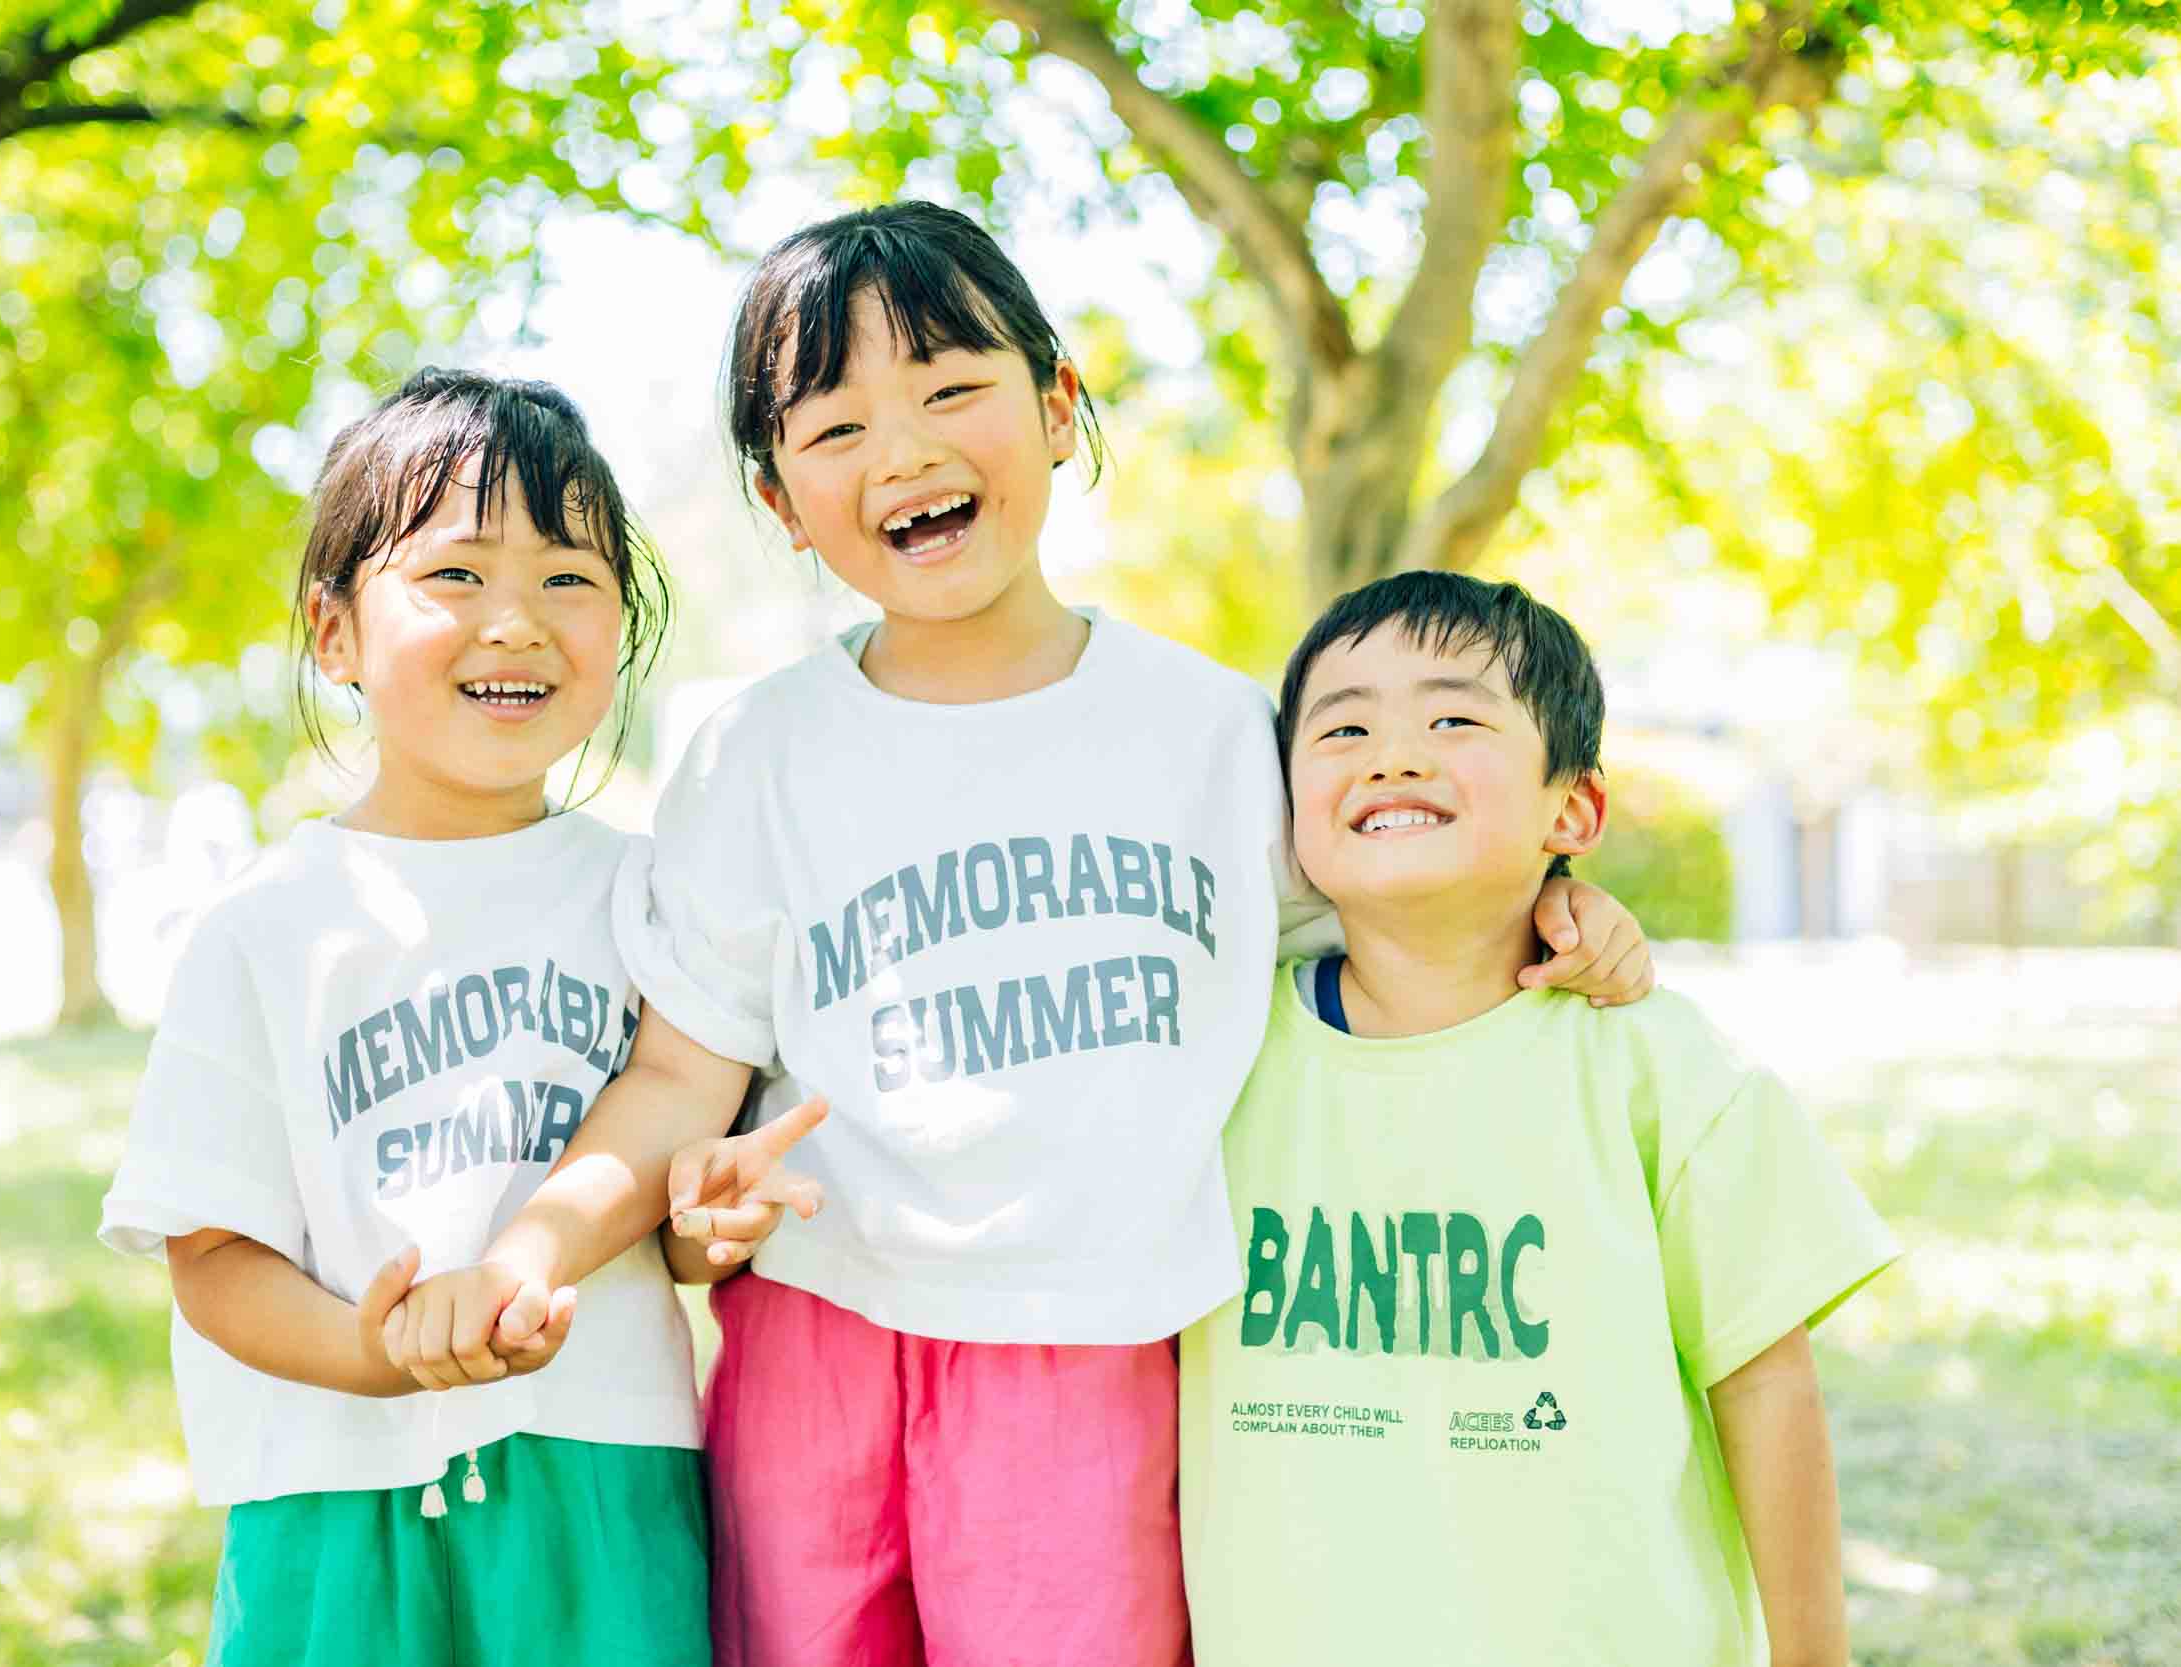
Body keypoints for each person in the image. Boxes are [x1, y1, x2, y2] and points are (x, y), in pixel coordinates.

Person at [616, 202, 1658, 1667]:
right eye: (834, 427)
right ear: (781, 499)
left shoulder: (1216, 731)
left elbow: (1373, 934)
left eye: (949, 388)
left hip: (1092, 1334)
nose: (903, 451)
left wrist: (1553, 905)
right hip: (816, 1321)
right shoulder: (754, 753)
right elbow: (683, 1068)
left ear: (1057, 409)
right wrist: (680, 1212)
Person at [97, 369, 807, 1667]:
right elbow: (209, 1246)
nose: (518, 622)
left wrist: (711, 1229)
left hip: (604, 1478)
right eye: (458, 576)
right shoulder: (265, 927)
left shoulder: (647, 892)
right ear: (333, 630)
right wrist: (368, 1352)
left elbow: (689, 1179)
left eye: (570, 579)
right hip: (334, 1484)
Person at [1179, 569, 1898, 1666]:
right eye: (1343, 726)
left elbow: (1767, 1383)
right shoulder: (1210, 1052)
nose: (1393, 753)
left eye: (1453, 716)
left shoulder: (1659, 1066)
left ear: (1574, 809)